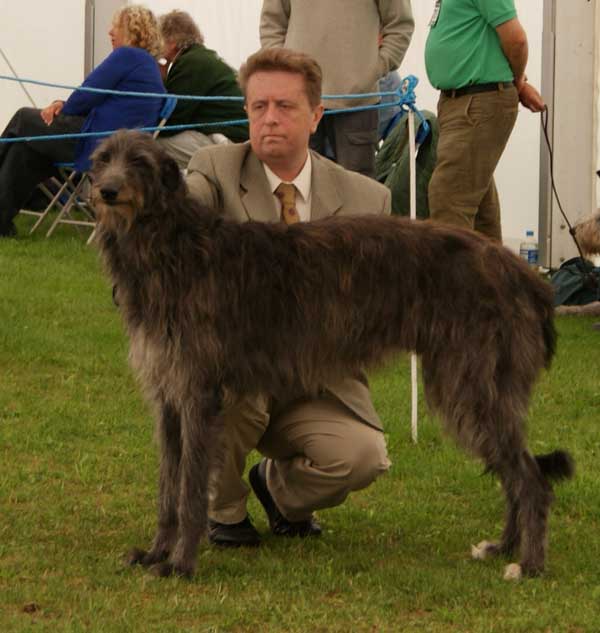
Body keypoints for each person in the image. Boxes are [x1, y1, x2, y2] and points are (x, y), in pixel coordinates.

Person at [186, 47, 392, 547]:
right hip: (237, 376)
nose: (269, 119)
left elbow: (375, 302)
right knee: (233, 389)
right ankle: (226, 511)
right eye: (258, 107)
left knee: (363, 456)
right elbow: (180, 227)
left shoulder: (368, 198)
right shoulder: (213, 169)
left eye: (285, 106)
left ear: (317, 115)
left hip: (316, 379)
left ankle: (279, 493)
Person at [0, 5, 166, 238]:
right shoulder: (148, 64)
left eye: (116, 26)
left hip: (98, 145)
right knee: (27, 147)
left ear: (132, 31)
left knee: (23, 118)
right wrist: (64, 105)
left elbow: (87, 94)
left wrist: (62, 107)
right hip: (117, 145)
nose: (110, 31)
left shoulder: (127, 55)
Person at [425, 0, 545, 242]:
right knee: (478, 208)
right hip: (462, 102)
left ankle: (456, 279)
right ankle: (494, 277)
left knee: (450, 199)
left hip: (477, 101)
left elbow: (516, 39)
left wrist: (518, 82)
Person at [259, 0, 414, 179]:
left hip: (357, 102)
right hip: (300, 101)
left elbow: (400, 24)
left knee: (357, 191)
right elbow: (271, 24)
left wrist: (374, 70)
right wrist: (285, 72)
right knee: (298, 185)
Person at [156, 10, 248, 169]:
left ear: (171, 41)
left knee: (152, 147)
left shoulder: (190, 63)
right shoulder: (202, 57)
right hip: (239, 135)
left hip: (230, 140)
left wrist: (161, 82)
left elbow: (171, 122)